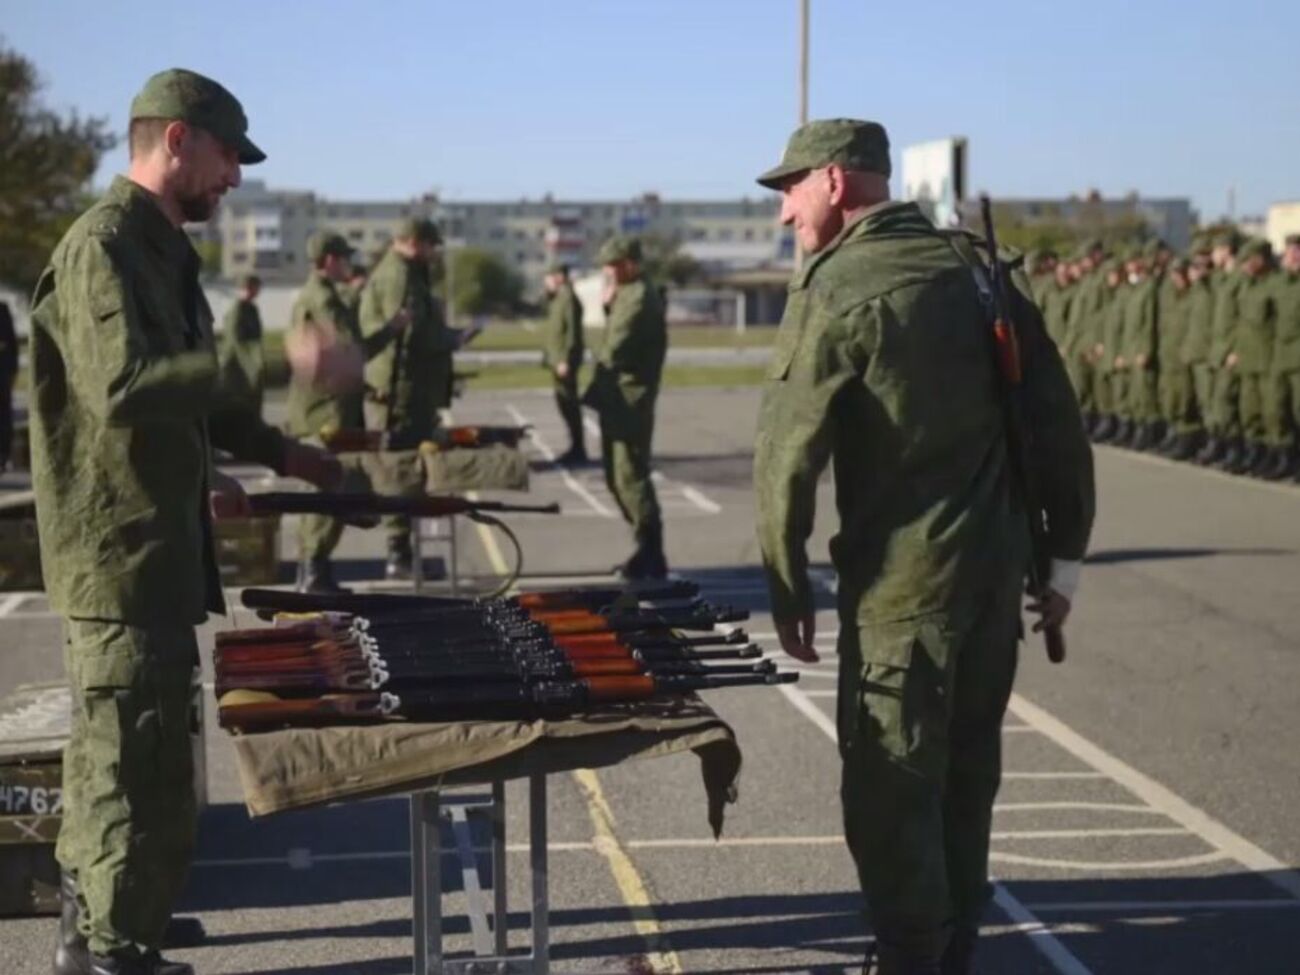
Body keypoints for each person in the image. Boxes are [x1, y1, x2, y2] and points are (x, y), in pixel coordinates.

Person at [27, 68, 354, 975]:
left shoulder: (162, 249)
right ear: (176, 139)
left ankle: (102, 922)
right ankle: (112, 949)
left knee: (133, 745)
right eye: (227, 155)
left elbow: (193, 394)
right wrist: (274, 362)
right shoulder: (104, 247)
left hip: (156, 544)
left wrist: (290, 456)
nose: (236, 177)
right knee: (132, 754)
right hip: (119, 551)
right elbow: (125, 389)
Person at [751, 119, 1094, 975]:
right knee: (966, 784)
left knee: (890, 793)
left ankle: (913, 959)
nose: (785, 213)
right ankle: (954, 953)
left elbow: (786, 454)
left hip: (903, 596)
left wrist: (786, 584)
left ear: (833, 182)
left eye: (790, 189)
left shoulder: (838, 285)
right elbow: (1057, 429)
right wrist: (1064, 563)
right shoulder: (977, 271)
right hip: (991, 590)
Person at [288, 231, 410, 592]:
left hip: (331, 409)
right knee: (329, 489)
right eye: (344, 258)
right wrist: (391, 330)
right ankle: (314, 569)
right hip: (326, 415)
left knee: (335, 489)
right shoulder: (323, 299)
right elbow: (348, 355)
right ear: (328, 260)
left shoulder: (323, 297)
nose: (349, 265)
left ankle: (317, 567)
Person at [359, 217, 468, 578]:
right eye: (429, 245)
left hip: (408, 389)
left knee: (405, 472)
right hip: (400, 392)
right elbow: (409, 336)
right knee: (399, 471)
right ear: (411, 242)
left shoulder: (408, 272)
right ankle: (399, 554)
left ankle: (403, 552)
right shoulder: (400, 276)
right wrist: (449, 340)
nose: (433, 252)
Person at [583, 235, 669, 579]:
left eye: (613, 265)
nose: (607, 271)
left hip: (630, 400)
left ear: (630, 264)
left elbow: (613, 349)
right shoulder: (625, 294)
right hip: (618, 399)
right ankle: (644, 548)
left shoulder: (637, 298)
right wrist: (606, 307)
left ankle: (651, 553)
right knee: (617, 477)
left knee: (631, 477)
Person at [1227, 238, 1278, 475]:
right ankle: (1254, 453)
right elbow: (1240, 323)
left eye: (1251, 259)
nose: (1246, 264)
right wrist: (1235, 351)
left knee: (1273, 411)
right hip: (1247, 358)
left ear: (1263, 259)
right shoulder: (1247, 286)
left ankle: (1276, 456)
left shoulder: (1274, 286)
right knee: (1250, 410)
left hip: (1269, 360)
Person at [1261, 235, 1300, 480]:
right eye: (1289, 252)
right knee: (1276, 407)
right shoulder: (1278, 283)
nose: (1292, 257)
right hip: (1279, 355)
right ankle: (1284, 458)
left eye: (1296, 252)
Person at [541, 262, 587, 464]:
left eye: (549, 277)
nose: (547, 281)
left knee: (569, 403)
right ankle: (575, 446)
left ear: (559, 276)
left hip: (564, 360)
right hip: (557, 359)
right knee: (564, 402)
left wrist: (565, 359)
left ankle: (578, 448)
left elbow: (572, 333)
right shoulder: (558, 298)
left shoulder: (568, 298)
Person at [217, 274, 268, 417]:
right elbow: (236, 341)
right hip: (237, 366)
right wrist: (253, 366)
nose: (258, 291)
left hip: (248, 363)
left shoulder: (251, 309)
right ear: (248, 287)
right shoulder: (237, 309)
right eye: (256, 287)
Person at [0, 299, 16, 471]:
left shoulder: (3, 309)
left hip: (2, 373)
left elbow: (11, 345)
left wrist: (12, 371)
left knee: (4, 415)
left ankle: (3, 455)